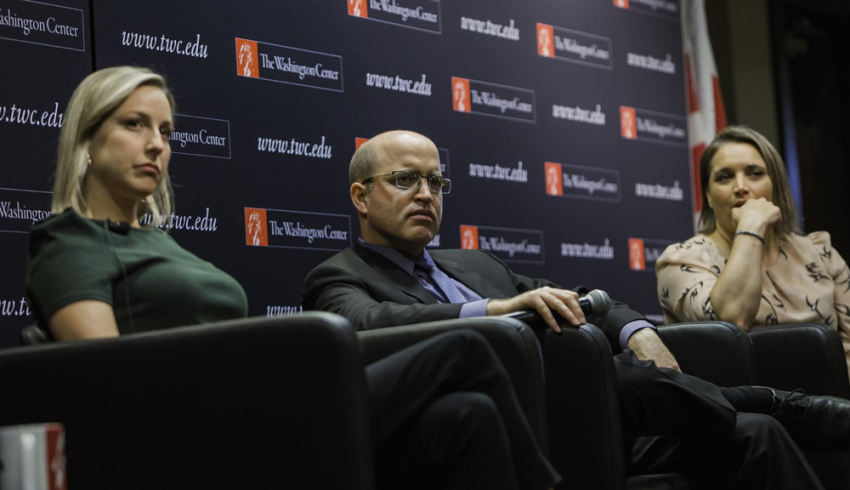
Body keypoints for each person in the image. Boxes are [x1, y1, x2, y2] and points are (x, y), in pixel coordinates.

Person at [24, 67, 560, 490]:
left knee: (465, 414)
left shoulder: (157, 242)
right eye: (134, 124)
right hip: (221, 425)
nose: (157, 144)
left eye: (165, 130)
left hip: (253, 402)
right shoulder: (68, 241)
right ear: (87, 139)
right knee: (463, 349)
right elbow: (100, 381)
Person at [302, 129, 850, 489]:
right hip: (526, 423)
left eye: (435, 181)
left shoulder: (475, 263)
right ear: (360, 196)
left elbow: (581, 293)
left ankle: (767, 409)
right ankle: (776, 401)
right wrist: (497, 310)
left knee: (754, 435)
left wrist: (636, 329)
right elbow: (369, 326)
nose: (425, 193)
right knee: (610, 373)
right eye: (404, 180)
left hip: (604, 413)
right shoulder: (340, 276)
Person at [656, 126, 850, 374]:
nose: (740, 186)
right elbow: (731, 324)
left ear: (775, 185)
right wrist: (750, 228)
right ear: (709, 196)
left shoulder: (821, 253)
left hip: (832, 404)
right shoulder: (682, 260)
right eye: (724, 177)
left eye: (755, 174)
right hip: (744, 408)